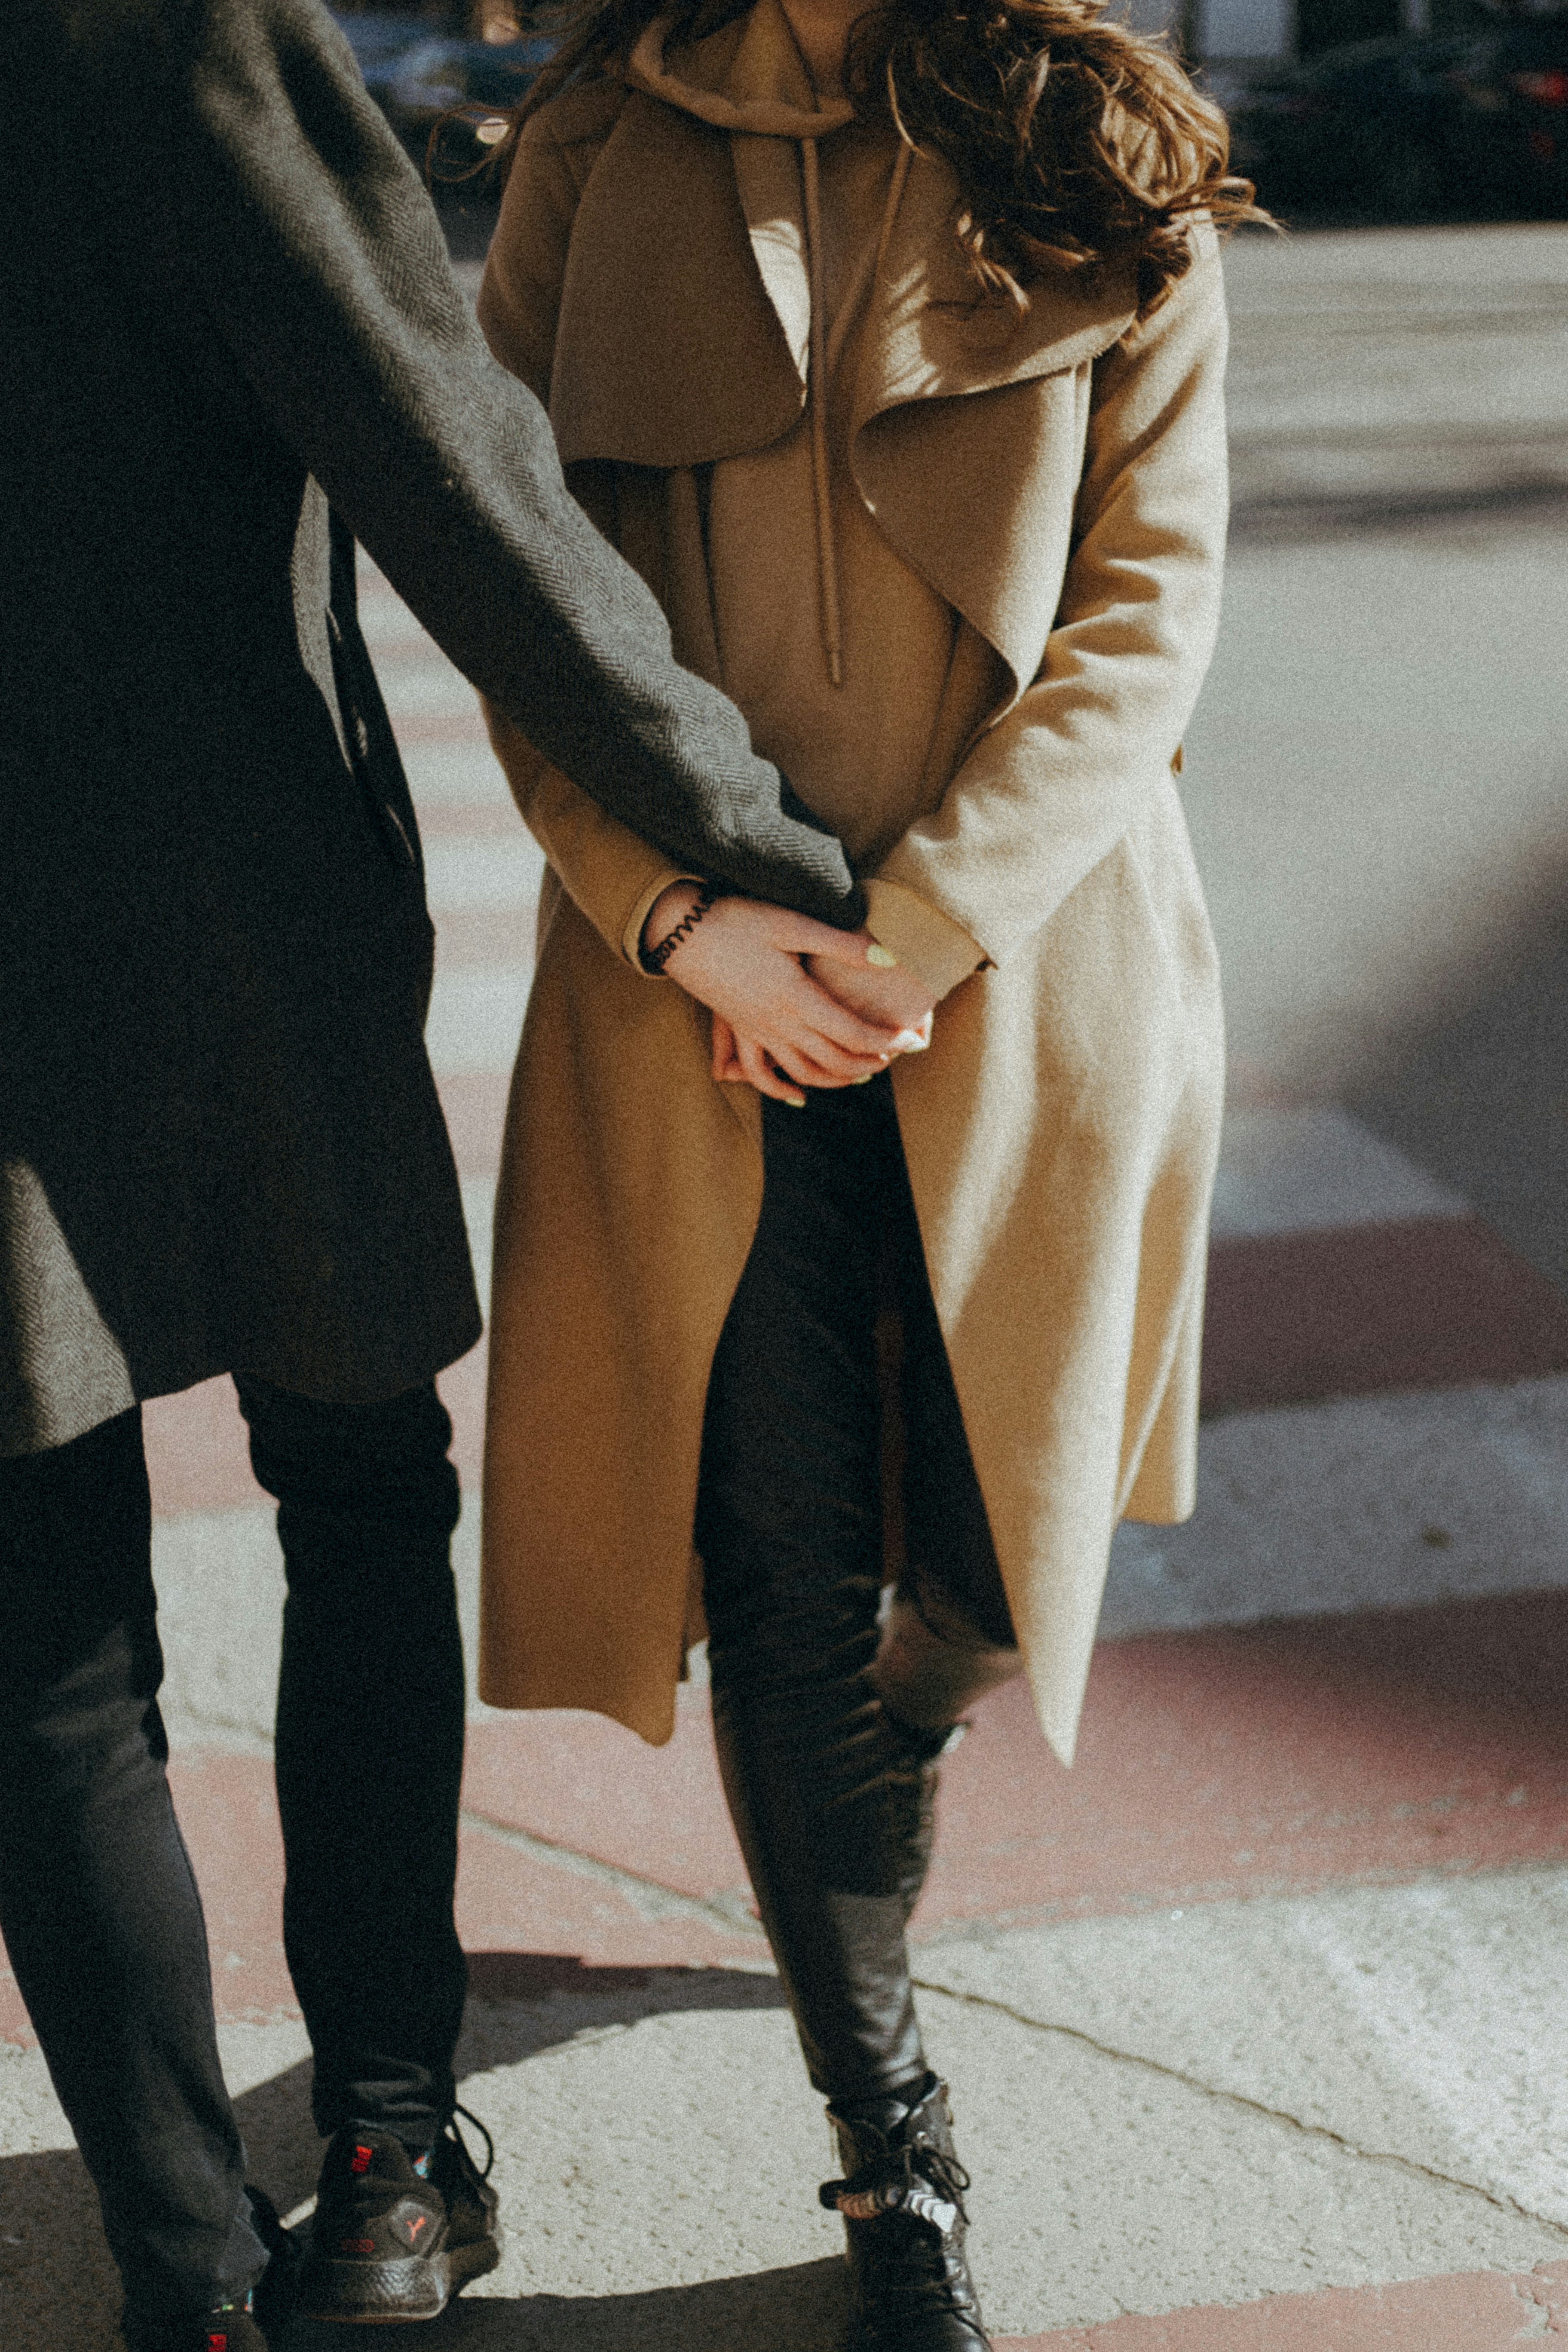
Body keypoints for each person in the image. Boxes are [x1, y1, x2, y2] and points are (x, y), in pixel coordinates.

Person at [0, 4, 900, 2346]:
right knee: (357, 1492)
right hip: (230, 912)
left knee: (45, 1630)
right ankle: (389, 2160)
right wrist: (747, 841)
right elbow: (443, 456)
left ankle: (192, 2280)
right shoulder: (173, 29)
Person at [474, 0, 1262, 2341]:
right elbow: (513, 590)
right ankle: (888, 2146)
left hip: (1029, 977)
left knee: (993, 1571)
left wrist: (908, 943)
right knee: (781, 1573)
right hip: (693, 1013)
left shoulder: (1097, 141)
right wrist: (681, 917)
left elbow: (1147, 618)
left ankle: (910, 1713)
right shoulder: (594, 145)